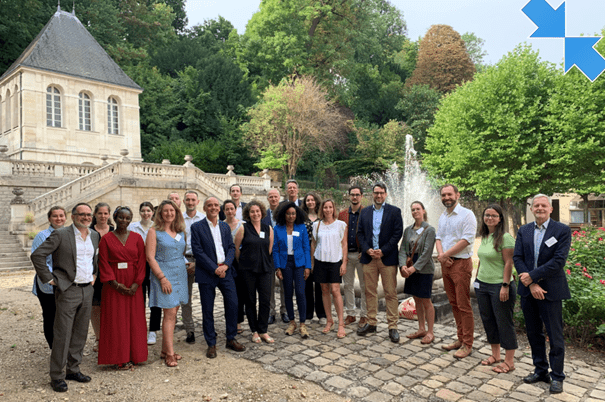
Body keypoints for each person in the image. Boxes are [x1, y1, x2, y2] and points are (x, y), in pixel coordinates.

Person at [31, 203, 99, 393]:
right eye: (82, 214)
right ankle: (57, 376)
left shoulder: (94, 235)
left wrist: (95, 274)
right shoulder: (61, 234)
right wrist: (51, 279)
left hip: (87, 290)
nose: (86, 217)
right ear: (73, 216)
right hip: (68, 290)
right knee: (63, 333)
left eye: (88, 215)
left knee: (80, 332)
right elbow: (38, 255)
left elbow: (95, 258)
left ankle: (73, 369)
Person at [513, 194, 571, 394]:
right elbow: (517, 257)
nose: (539, 208)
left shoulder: (562, 230)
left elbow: (558, 261)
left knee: (555, 336)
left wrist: (533, 278)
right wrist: (530, 284)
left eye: (543, 205)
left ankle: (557, 376)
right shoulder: (524, 230)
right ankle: (540, 370)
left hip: (551, 290)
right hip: (529, 291)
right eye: (536, 205)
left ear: (550, 208)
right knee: (534, 333)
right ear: (531, 209)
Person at [191, 196, 246, 358]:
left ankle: (230, 338)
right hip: (207, 273)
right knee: (207, 309)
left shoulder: (224, 226)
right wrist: (215, 268)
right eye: (210, 205)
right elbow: (197, 251)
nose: (214, 208)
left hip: (226, 271)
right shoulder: (197, 227)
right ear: (205, 208)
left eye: (216, 205)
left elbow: (230, 247)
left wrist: (226, 266)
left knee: (233, 304)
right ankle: (211, 343)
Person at [98, 206, 147, 369]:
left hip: (134, 283)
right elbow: (103, 263)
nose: (124, 221)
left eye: (128, 218)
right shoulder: (106, 239)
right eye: (121, 218)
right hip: (113, 285)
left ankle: (136, 355)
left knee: (135, 320)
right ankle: (120, 358)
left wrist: (136, 284)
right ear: (115, 218)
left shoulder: (137, 238)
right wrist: (115, 284)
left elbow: (142, 263)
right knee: (116, 321)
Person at [356, 183, 403, 343]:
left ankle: (393, 327)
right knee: (370, 292)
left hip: (387, 258)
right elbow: (360, 233)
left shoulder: (394, 211)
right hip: (369, 258)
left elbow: (397, 234)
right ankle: (371, 322)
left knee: (390, 292)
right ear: (372, 194)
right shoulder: (365, 212)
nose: (378, 196)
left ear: (386, 194)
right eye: (376, 193)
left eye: (381, 193)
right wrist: (367, 249)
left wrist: (383, 250)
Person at [435, 184, 477, 358]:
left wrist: (445, 255)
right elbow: (438, 237)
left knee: (464, 305)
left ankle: (467, 344)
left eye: (449, 194)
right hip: (447, 264)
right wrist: (441, 255)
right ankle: (460, 339)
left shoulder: (467, 215)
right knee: (453, 303)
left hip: (460, 264)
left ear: (457, 195)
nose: (446, 197)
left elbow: (466, 239)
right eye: (443, 195)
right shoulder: (443, 216)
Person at [475, 204, 517, 373]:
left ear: (500, 219)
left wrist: (505, 285)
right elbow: (482, 260)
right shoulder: (485, 236)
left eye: (493, 215)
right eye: (487, 215)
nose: (489, 218)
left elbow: (509, 262)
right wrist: (476, 279)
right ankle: (495, 355)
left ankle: (509, 361)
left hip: (499, 285)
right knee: (488, 320)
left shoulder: (506, 238)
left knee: (504, 322)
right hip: (482, 285)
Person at [146, 200, 188, 368]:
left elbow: (181, 252)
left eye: (172, 210)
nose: (169, 213)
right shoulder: (153, 231)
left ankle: (165, 349)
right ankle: (169, 354)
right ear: (160, 213)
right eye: (165, 211)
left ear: (176, 212)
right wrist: (162, 278)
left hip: (180, 274)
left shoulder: (180, 231)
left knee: (174, 311)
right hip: (164, 275)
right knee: (169, 314)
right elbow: (150, 257)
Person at [234, 201, 275, 344]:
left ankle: (263, 330)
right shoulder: (243, 228)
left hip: (265, 269)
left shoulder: (268, 228)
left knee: (265, 300)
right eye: (252, 211)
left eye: (257, 211)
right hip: (247, 270)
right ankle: (254, 331)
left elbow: (269, 249)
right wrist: (246, 262)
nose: (255, 214)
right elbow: (236, 249)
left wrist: (261, 260)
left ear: (262, 212)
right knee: (250, 301)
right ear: (248, 214)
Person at [398, 201, 436, 345]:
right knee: (416, 299)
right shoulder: (408, 230)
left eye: (418, 209)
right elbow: (402, 249)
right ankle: (421, 328)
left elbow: (427, 254)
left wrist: (412, 269)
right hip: (410, 267)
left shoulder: (430, 230)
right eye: (412, 209)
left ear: (424, 211)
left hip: (424, 269)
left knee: (426, 300)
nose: (415, 212)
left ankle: (430, 332)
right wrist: (402, 266)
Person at [273, 202, 311, 338]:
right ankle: (292, 322)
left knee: (301, 293)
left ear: (297, 214)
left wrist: (308, 266)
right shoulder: (277, 229)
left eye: (293, 213)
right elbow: (275, 250)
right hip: (285, 264)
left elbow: (307, 247)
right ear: (284, 214)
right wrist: (277, 267)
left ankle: (302, 324)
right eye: (288, 213)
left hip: (299, 263)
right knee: (287, 293)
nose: (291, 216)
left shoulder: (301, 228)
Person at [31, 206, 66, 349]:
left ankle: (64, 347)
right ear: (49, 219)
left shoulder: (68, 234)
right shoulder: (42, 236)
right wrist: (54, 279)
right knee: (50, 316)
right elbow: (40, 259)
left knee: (64, 317)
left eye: (61, 216)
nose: (58, 218)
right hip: (47, 285)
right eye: (55, 216)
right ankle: (54, 348)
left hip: (65, 283)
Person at [312, 199, 348, 339]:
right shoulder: (317, 225)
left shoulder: (340, 225)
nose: (327, 210)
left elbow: (344, 245)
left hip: (335, 261)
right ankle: (329, 320)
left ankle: (340, 323)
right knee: (324, 290)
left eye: (330, 207)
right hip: (320, 260)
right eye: (325, 207)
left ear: (334, 209)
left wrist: (344, 263)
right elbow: (313, 244)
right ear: (322, 209)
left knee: (335, 290)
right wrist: (312, 263)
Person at [128, 202, 162, 345]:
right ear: (139, 212)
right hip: (137, 266)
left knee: (155, 299)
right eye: (143, 210)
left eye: (148, 210)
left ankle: (153, 330)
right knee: (138, 298)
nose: (146, 213)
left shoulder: (158, 228)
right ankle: (139, 327)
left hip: (153, 265)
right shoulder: (132, 227)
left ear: (153, 212)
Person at [338, 186, 367, 328]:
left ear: (361, 196)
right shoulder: (342, 214)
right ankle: (350, 313)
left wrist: (366, 250)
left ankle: (364, 315)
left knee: (364, 285)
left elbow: (371, 233)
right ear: (349, 196)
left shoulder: (367, 213)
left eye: (357, 195)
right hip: (347, 255)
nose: (354, 197)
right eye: (352, 195)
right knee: (348, 285)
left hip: (362, 254)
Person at [89, 202, 114, 353]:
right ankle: (98, 338)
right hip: (94, 274)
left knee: (110, 306)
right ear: (95, 215)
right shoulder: (89, 231)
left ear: (109, 215)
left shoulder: (114, 231)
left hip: (111, 273)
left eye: (105, 213)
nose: (103, 216)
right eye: (100, 213)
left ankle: (110, 336)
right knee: (95, 307)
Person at [182, 190, 205, 344]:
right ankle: (189, 329)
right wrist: (184, 261)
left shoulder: (204, 218)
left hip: (202, 261)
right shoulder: (178, 219)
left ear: (198, 202)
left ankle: (208, 326)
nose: (190, 202)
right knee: (186, 298)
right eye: (188, 200)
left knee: (207, 296)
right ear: (184, 201)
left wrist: (199, 262)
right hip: (184, 260)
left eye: (193, 200)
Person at [262, 188, 287, 325]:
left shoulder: (286, 214)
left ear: (279, 197)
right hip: (268, 254)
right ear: (268, 199)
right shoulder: (262, 215)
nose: (273, 199)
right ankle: (271, 312)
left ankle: (284, 311)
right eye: (270, 196)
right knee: (269, 285)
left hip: (284, 254)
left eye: (275, 196)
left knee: (285, 284)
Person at [302, 192, 327, 325]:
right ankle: (308, 314)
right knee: (307, 285)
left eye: (312, 200)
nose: (310, 202)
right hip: (306, 254)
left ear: (317, 202)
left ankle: (321, 314)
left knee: (320, 285)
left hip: (320, 254)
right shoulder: (302, 217)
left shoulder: (322, 217)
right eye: (308, 200)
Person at [223, 199, 245, 334]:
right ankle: (229, 319)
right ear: (224, 211)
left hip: (238, 262)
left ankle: (237, 321)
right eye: (227, 209)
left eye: (232, 208)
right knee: (228, 294)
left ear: (236, 210)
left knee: (239, 294)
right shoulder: (220, 225)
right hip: (225, 262)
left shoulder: (242, 225)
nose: (230, 211)